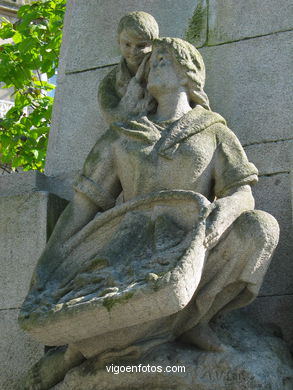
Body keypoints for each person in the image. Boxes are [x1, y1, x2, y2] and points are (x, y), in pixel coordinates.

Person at [20, 37, 279, 389]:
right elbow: (84, 205)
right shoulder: (122, 135)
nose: (153, 66)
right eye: (151, 61)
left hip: (192, 241)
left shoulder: (213, 130)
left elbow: (241, 192)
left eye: (163, 60)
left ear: (189, 72)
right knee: (116, 294)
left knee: (260, 229)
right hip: (129, 249)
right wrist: (49, 264)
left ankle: (192, 320)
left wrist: (223, 215)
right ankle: (75, 353)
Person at [98, 11, 159, 125]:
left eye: (141, 46)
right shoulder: (109, 83)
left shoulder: (165, 71)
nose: (133, 51)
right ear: (118, 41)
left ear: (153, 45)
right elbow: (113, 119)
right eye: (127, 44)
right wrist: (131, 96)